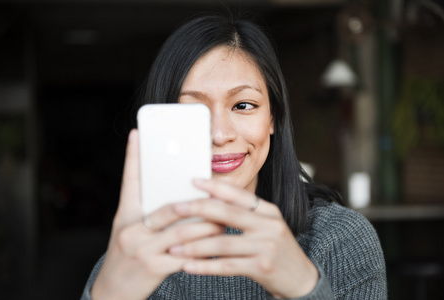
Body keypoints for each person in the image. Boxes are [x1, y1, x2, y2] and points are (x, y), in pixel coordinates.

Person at [81, 14, 387, 300]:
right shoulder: (135, 255)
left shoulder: (340, 240)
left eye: (243, 105)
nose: (218, 134)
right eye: (192, 110)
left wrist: (304, 287)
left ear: (272, 119)